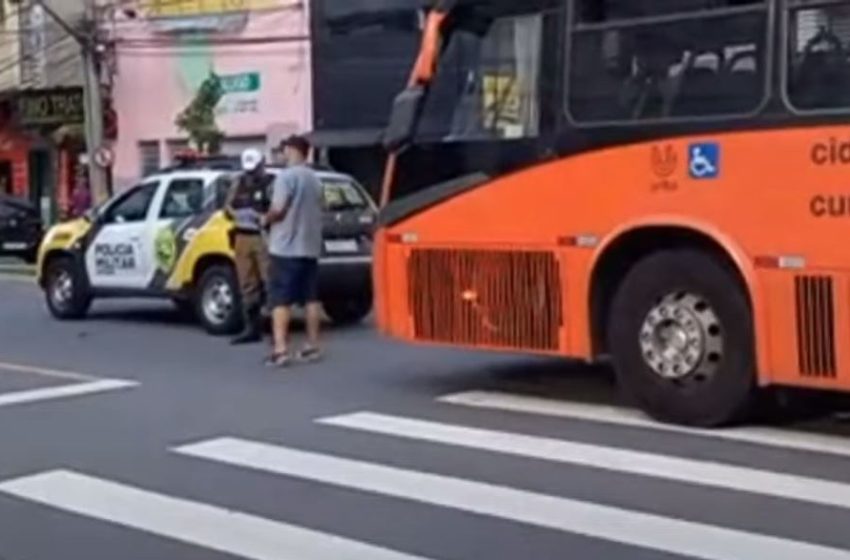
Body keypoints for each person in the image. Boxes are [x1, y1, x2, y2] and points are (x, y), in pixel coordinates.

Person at [264, 135, 324, 367]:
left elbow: (279, 209)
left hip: (285, 247)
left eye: (284, 149)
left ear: (293, 150)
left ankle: (280, 350)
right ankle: (312, 346)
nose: (282, 154)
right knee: (311, 298)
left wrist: (264, 219)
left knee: (281, 299)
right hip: (310, 246)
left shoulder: (286, 177)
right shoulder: (315, 179)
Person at [225, 148, 273, 345]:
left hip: (262, 236)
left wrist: (264, 218)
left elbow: (278, 208)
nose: (251, 174)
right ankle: (252, 328)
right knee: (247, 283)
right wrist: (235, 214)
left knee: (269, 280)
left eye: (254, 170)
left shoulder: (271, 183)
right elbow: (227, 206)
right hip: (242, 235)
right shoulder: (238, 182)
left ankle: (274, 325)